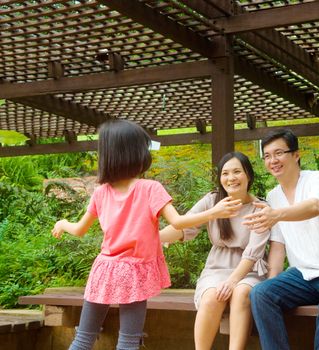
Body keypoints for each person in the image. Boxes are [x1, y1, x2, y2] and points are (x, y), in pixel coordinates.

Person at [51, 119, 242, 350]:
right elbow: (178, 222)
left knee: (82, 339)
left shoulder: (101, 192)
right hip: (134, 272)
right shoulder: (149, 188)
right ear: (134, 152)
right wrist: (214, 211)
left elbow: (80, 230)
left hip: (104, 271)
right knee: (129, 342)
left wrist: (62, 223)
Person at [243, 129, 319, 350]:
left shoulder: (317, 179)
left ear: (296, 155)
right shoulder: (273, 196)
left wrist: (277, 214)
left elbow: (314, 207)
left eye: (279, 153)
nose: (273, 160)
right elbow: (278, 247)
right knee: (261, 293)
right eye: (267, 156)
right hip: (302, 276)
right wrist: (272, 281)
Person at [159, 151, 284, 350]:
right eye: (225, 173)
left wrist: (233, 280)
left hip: (249, 270)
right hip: (217, 267)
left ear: (248, 175)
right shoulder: (212, 201)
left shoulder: (260, 208)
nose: (231, 178)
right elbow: (184, 226)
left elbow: (253, 252)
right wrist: (153, 238)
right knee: (212, 297)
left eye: (237, 172)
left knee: (241, 292)